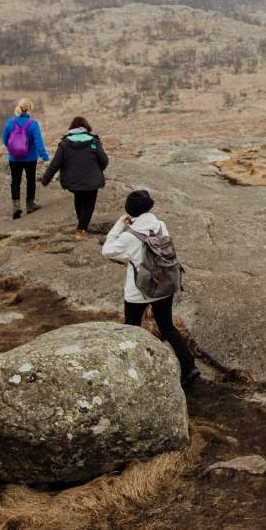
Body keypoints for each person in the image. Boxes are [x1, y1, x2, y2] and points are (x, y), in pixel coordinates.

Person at [101, 189, 203, 387]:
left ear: (129, 211)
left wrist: (119, 225)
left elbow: (107, 251)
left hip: (139, 291)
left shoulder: (130, 236)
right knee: (167, 326)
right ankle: (189, 366)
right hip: (164, 283)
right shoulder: (160, 225)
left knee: (131, 329)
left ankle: (133, 371)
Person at [39, 115, 108, 238]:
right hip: (92, 180)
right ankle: (81, 230)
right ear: (86, 127)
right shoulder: (94, 142)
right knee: (88, 206)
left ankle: (81, 224)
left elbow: (55, 163)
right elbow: (104, 160)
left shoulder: (64, 144)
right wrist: (97, 170)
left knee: (79, 198)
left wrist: (46, 179)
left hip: (73, 180)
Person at [0, 100, 50, 221]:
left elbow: (5, 140)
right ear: (29, 109)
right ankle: (30, 204)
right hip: (30, 158)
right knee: (30, 179)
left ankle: (16, 207)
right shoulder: (33, 124)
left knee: (15, 180)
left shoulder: (10, 122)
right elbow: (39, 143)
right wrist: (45, 157)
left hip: (14, 158)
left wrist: (13, 149)